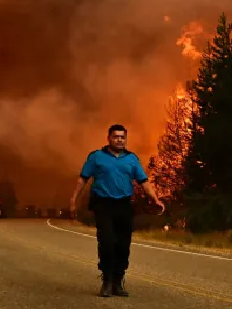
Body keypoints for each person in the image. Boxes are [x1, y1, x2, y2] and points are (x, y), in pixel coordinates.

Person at [69, 124, 164, 298]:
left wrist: (155, 198)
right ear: (109, 138)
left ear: (125, 139)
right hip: (103, 205)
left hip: (124, 206)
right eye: (116, 137)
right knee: (106, 241)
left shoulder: (132, 159)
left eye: (122, 137)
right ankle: (106, 281)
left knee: (123, 245)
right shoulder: (96, 157)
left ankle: (117, 282)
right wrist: (73, 200)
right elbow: (82, 179)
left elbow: (143, 181)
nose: (119, 140)